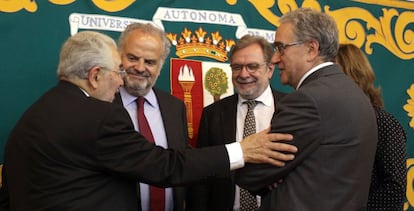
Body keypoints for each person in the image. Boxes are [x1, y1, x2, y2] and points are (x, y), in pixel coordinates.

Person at [0, 31, 298, 211]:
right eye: (118, 70)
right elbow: (165, 166)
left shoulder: (35, 114)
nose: (121, 81)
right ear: (94, 75)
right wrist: (242, 151)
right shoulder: (98, 117)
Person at [235, 8, 379, 210]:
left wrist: (273, 173)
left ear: (311, 49)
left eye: (281, 48)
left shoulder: (306, 101)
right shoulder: (357, 96)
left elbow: (251, 173)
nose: (275, 59)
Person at [188, 34, 286, 211]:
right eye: (237, 67)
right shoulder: (213, 114)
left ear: (270, 69)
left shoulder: (291, 109)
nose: (243, 74)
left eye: (252, 66)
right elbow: (202, 177)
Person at [114, 22, 189, 211]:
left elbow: (180, 165)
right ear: (119, 57)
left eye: (149, 62)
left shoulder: (175, 107)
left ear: (160, 66)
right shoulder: (102, 105)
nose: (140, 68)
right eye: (132, 58)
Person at [335, 43, 407, 210]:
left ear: (354, 75)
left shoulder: (383, 122)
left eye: (334, 74)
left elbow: (394, 188)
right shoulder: (331, 121)